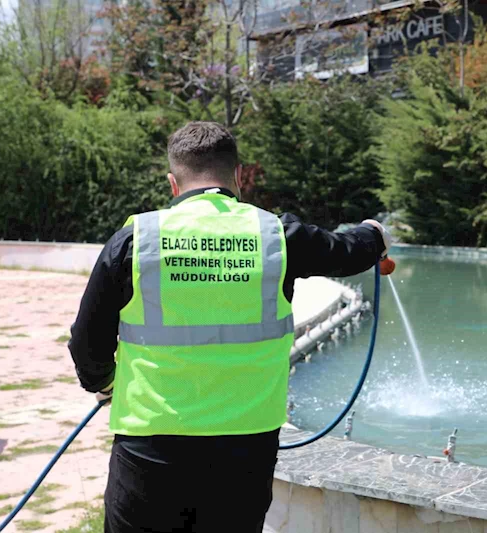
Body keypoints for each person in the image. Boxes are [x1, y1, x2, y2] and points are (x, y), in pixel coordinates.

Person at [68, 121, 391, 533]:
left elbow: (86, 342)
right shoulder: (275, 235)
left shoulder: (138, 239)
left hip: (151, 449)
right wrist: (375, 233)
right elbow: (347, 250)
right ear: (238, 176)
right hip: (245, 451)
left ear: (173, 183)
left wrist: (104, 382)